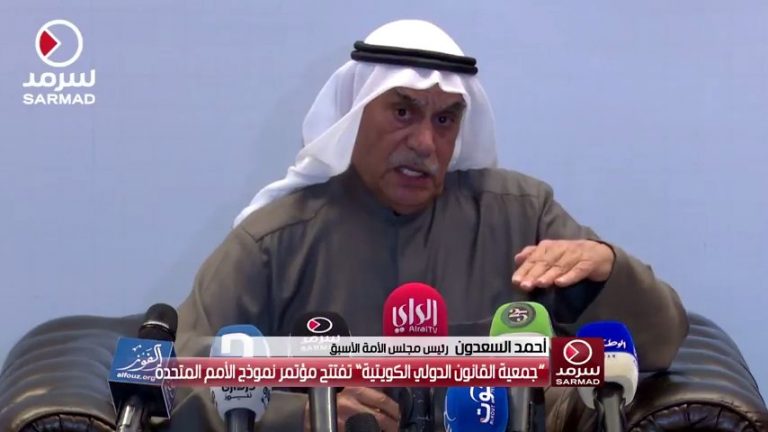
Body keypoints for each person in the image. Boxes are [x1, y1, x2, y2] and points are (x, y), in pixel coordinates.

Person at [168, 19, 688, 432]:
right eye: (403, 112)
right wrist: (301, 416)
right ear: (355, 114)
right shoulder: (273, 242)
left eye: (445, 119)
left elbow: (659, 346)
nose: (425, 143)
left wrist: (608, 270)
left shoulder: (522, 215)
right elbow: (178, 378)